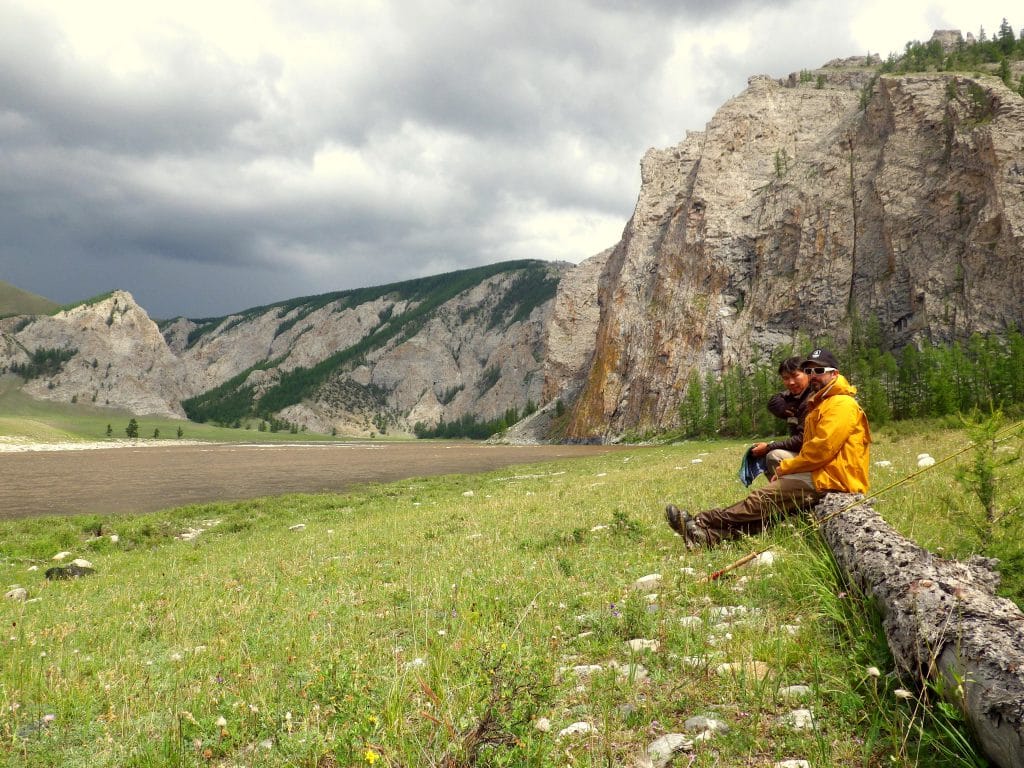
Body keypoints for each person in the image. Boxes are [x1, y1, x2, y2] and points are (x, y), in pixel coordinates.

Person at [666, 348, 871, 548]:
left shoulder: (840, 404)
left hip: (833, 478)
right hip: (825, 472)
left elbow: (820, 450)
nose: (813, 376)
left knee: (761, 500)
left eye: (819, 371)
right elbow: (779, 405)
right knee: (773, 510)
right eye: (809, 371)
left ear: (834, 374)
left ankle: (701, 521)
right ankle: (707, 537)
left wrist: (786, 468)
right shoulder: (823, 402)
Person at [746, 356, 810, 483]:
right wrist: (784, 408)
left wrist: (769, 447)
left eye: (795, 376)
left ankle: (792, 494)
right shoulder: (796, 396)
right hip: (805, 452)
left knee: (773, 455)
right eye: (786, 378)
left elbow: (803, 440)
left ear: (807, 373)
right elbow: (774, 400)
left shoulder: (811, 399)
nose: (791, 382)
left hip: (813, 455)